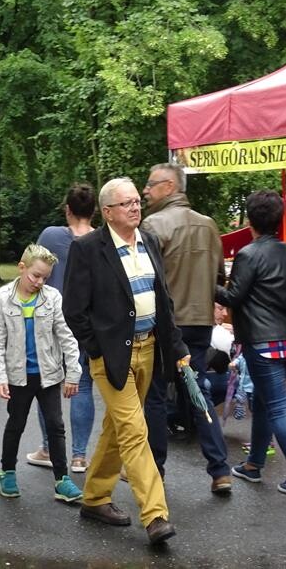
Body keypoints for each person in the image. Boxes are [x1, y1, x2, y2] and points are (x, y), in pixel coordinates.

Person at [63, 177, 189, 546]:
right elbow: (74, 309)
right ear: (107, 212)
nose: (136, 207)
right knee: (135, 431)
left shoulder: (148, 240)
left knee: (117, 429)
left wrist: (177, 347)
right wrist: (96, 349)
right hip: (112, 356)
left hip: (150, 349)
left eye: (137, 201)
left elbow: (162, 298)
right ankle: (155, 515)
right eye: (127, 204)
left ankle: (95, 498)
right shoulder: (88, 248)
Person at [215, 189, 286, 497]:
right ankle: (253, 465)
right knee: (263, 402)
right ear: (279, 219)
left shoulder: (248, 254)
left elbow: (233, 298)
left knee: (276, 407)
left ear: (249, 221)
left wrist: (207, 285)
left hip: (262, 344)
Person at [140, 162, 232, 494]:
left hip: (166, 323)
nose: (145, 191)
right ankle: (220, 470)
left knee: (154, 394)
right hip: (200, 323)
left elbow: (144, 277)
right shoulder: (209, 226)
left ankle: (155, 468)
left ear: (169, 186)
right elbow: (219, 276)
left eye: (150, 185)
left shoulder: (152, 224)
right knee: (197, 391)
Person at [0, 244, 84, 504]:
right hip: (18, 377)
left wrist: (73, 373)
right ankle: (7, 472)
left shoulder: (52, 297)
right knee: (15, 424)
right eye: (35, 276)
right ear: (22, 268)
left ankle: (62, 479)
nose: (40, 282)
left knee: (56, 425)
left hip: (49, 375)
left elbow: (66, 337)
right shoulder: (4, 297)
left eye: (45, 277)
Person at [27, 182, 96, 474]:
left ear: (67, 209)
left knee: (49, 387)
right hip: (89, 324)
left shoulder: (51, 236)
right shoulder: (103, 240)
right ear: (94, 212)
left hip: (52, 321)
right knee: (84, 387)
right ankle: (80, 456)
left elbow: (33, 272)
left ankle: (48, 448)